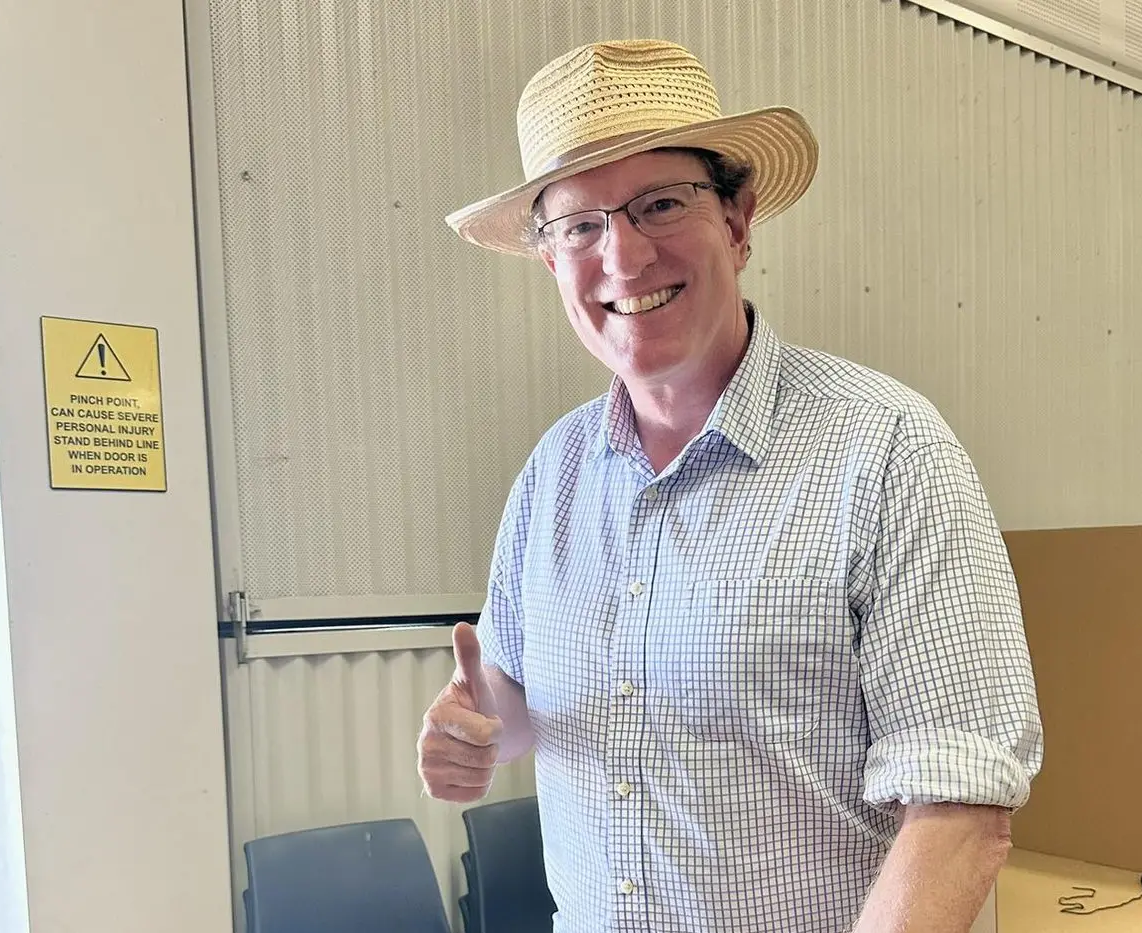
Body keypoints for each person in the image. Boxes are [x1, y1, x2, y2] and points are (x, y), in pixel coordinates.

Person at [418, 38, 1042, 933]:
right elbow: (522, 705)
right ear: (553, 261)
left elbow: (961, 808)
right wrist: (476, 728)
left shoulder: (886, 450)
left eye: (661, 203)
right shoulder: (551, 475)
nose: (623, 257)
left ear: (739, 221)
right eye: (581, 225)